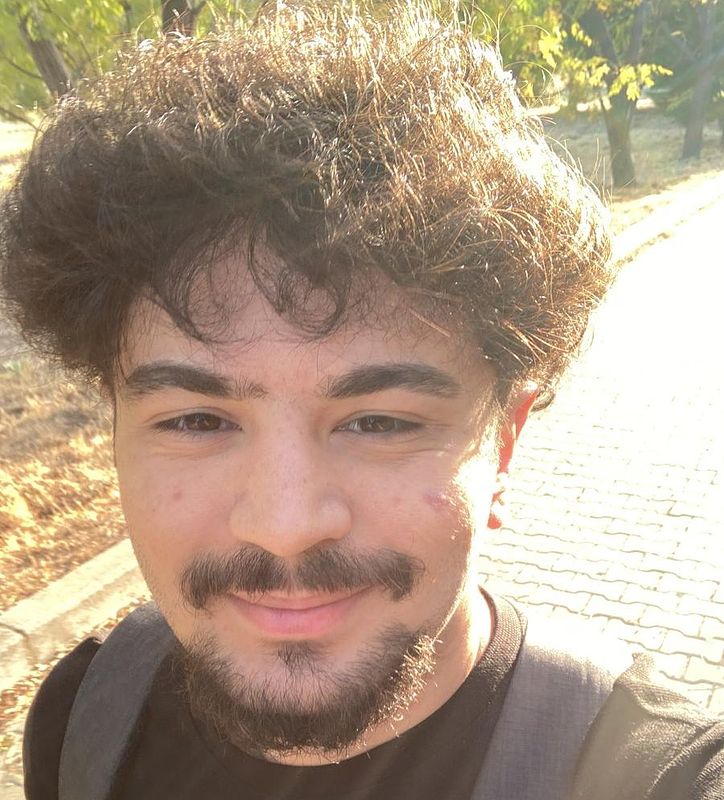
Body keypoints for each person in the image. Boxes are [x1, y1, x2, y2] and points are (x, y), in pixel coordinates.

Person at [1, 3, 722, 799]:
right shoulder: (81, 716)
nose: (285, 525)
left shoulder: (657, 775)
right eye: (196, 420)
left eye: (379, 422)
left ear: (504, 443)